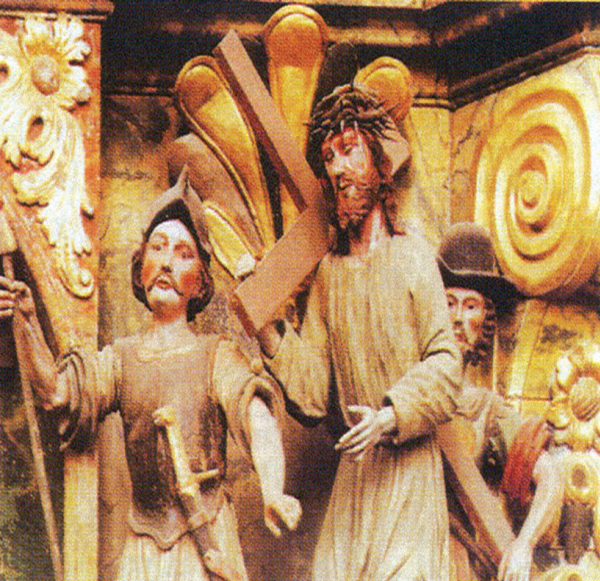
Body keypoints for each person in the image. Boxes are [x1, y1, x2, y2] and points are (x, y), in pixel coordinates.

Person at [0, 169, 301, 581]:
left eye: (183, 253)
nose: (166, 262)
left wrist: (273, 490)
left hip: (207, 542)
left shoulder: (216, 355)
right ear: (141, 268)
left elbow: (257, 418)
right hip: (143, 551)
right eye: (157, 248)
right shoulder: (121, 360)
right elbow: (55, 392)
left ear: (200, 284)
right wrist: (28, 320)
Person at [257, 84, 462, 581]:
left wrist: (390, 416)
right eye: (329, 158)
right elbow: (311, 392)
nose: (338, 169)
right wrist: (265, 326)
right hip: (356, 480)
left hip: (408, 474)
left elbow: (446, 363)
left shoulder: (412, 255)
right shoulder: (330, 273)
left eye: (349, 150)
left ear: (379, 163)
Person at [439, 222, 563, 581]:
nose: (458, 319)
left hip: (457, 564)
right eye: (448, 303)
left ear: (485, 321)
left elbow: (550, 477)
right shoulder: (402, 392)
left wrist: (523, 545)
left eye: (470, 306)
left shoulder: (486, 410)